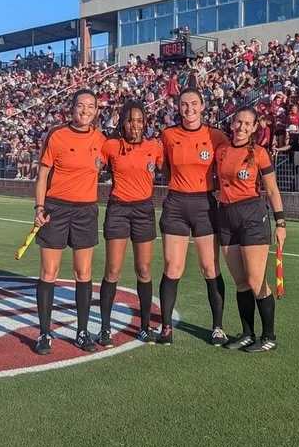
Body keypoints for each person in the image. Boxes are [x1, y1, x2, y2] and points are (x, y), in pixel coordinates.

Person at [32, 89, 107, 354]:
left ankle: (82, 332)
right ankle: (44, 333)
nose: (85, 110)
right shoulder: (57, 135)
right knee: (49, 272)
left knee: (83, 273)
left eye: (90, 106)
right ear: (72, 108)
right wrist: (39, 207)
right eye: (80, 105)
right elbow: (42, 176)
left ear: (96, 111)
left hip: (86, 211)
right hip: (57, 209)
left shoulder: (102, 140)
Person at [156, 83, 230, 346]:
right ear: (178, 107)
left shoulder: (217, 136)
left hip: (204, 205)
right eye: (184, 104)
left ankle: (218, 327)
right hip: (176, 203)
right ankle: (166, 328)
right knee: (173, 267)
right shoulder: (167, 135)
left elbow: (227, 166)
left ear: (203, 106)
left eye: (194, 104)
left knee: (209, 268)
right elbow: (164, 167)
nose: (189, 109)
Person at [216, 107, 287, 352]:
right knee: (241, 282)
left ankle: (269, 337)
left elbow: (272, 190)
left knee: (257, 280)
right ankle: (247, 334)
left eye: (248, 123)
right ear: (232, 123)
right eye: (238, 122)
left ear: (255, 127)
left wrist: (280, 223)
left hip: (252, 217)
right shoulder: (222, 150)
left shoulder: (259, 153)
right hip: (225, 216)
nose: (242, 127)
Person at [98, 101, 162, 345]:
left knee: (144, 270)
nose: (135, 125)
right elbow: (90, 167)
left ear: (144, 122)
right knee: (113, 270)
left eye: (139, 120)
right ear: (122, 122)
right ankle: (105, 328)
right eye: (130, 120)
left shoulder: (153, 146)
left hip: (144, 210)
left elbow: (170, 166)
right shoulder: (111, 146)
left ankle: (144, 326)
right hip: (118, 210)